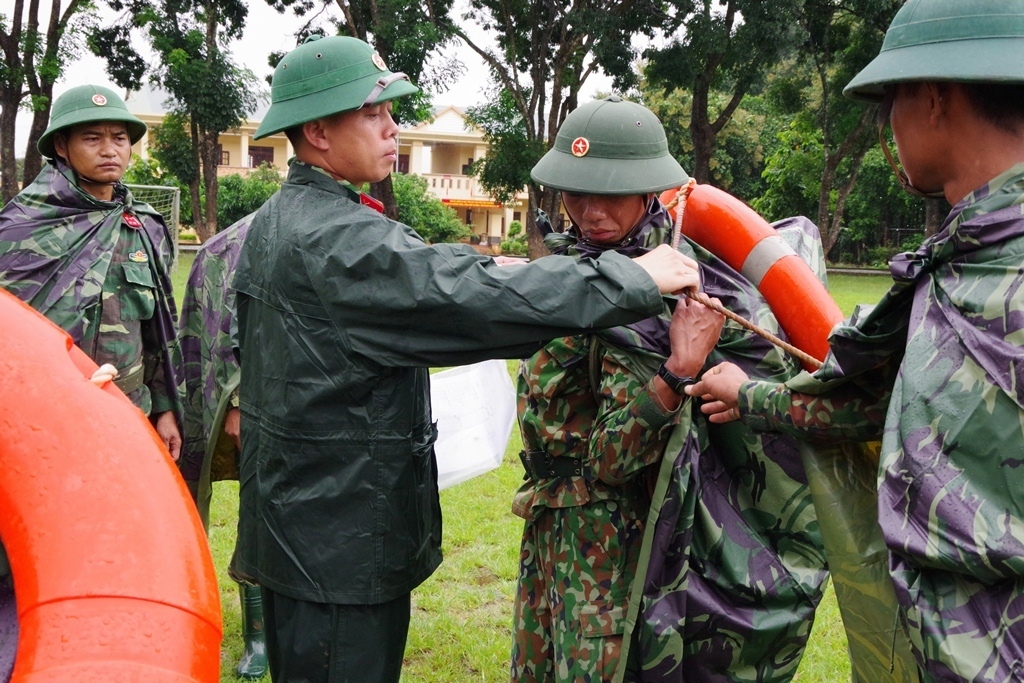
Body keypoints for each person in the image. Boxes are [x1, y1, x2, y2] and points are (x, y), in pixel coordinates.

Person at [231, 36, 701, 683]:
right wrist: (636, 279)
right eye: (374, 113)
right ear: (317, 130)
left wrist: (491, 266)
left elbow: (428, 273)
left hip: (304, 530)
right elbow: (465, 303)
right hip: (334, 550)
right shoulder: (335, 239)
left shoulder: (286, 219)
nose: (393, 127)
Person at [688, 1, 1024, 680]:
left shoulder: (998, 264)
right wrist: (750, 394)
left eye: (890, 101)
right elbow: (870, 402)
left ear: (932, 100)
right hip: (939, 645)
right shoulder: (957, 262)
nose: (887, 126)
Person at [512, 96, 830, 682]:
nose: (590, 211)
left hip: (608, 553)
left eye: (608, 192)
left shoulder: (661, 291)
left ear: (646, 192)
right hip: (552, 536)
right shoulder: (579, 272)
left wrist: (679, 366)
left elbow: (613, 460)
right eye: (575, 193)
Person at [0, 84, 182, 456]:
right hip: (43, 420)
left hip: (131, 414)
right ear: (62, 146)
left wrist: (163, 410)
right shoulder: (20, 228)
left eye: (119, 137)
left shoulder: (145, 226)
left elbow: (159, 331)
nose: (109, 149)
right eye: (92, 137)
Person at [178, 213, 266, 679]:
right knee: (258, 506)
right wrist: (237, 400)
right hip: (262, 401)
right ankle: (259, 636)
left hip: (328, 405)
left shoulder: (362, 225)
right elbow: (225, 323)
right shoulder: (241, 240)